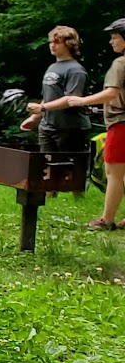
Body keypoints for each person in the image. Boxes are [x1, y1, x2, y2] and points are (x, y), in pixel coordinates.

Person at [35, 19, 125, 230]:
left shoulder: (120, 63)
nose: (111, 42)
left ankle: (106, 220)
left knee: (114, 174)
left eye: (115, 37)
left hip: (120, 125)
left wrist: (82, 101)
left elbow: (112, 93)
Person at [21, 25, 92, 158]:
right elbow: (49, 97)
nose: (52, 45)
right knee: (46, 169)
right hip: (47, 127)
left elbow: (71, 99)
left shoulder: (76, 70)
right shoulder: (52, 67)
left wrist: (42, 107)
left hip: (70, 129)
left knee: (67, 171)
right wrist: (34, 117)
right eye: (51, 42)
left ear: (69, 44)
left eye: (57, 42)